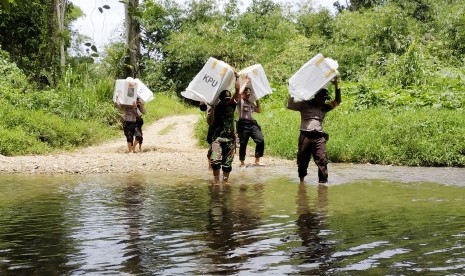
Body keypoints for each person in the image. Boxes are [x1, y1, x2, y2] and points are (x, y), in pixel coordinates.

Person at [287, 76, 341, 184]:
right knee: (302, 161)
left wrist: (336, 85)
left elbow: (337, 101)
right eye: (321, 98)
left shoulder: (324, 107)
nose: (323, 100)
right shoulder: (304, 105)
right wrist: (291, 89)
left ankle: (323, 184)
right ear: (315, 96)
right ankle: (302, 181)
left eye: (325, 98)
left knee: (322, 160)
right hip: (305, 136)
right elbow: (290, 105)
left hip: (319, 138)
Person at [209, 70, 241, 184]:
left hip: (229, 139)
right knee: (215, 162)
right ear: (221, 100)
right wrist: (212, 110)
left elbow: (237, 91)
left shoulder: (231, 105)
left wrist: (237, 77)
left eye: (229, 99)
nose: (228, 101)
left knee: (227, 164)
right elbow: (210, 122)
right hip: (217, 138)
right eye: (226, 99)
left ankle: (225, 183)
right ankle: (217, 182)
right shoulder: (214, 107)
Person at [236, 76, 265, 167]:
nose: (248, 95)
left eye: (249, 94)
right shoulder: (240, 101)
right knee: (243, 143)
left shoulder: (250, 102)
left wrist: (257, 99)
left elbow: (259, 110)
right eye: (246, 93)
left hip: (252, 124)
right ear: (243, 94)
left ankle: (257, 160)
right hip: (243, 124)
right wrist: (246, 82)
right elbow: (239, 93)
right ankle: (242, 162)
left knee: (260, 140)